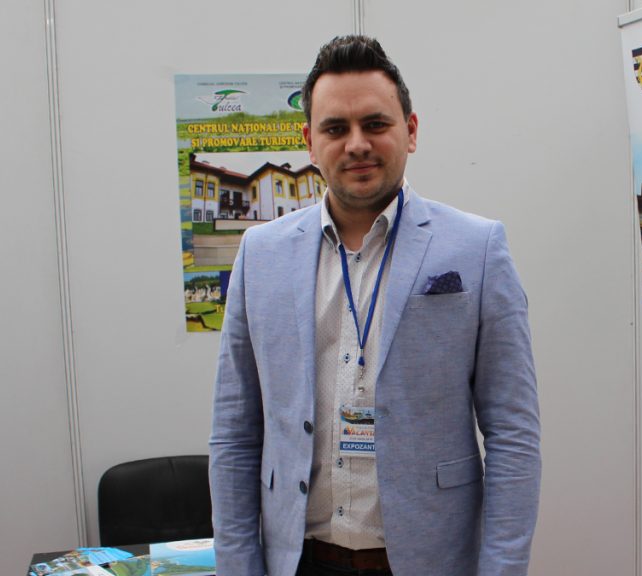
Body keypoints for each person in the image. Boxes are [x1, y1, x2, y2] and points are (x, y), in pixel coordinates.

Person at [210, 35, 540, 576]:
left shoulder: (477, 249)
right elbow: (234, 433)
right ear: (309, 142)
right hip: (299, 560)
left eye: (375, 124)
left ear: (411, 130)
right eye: (335, 129)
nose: (357, 144)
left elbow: (514, 433)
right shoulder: (261, 255)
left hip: (429, 561)